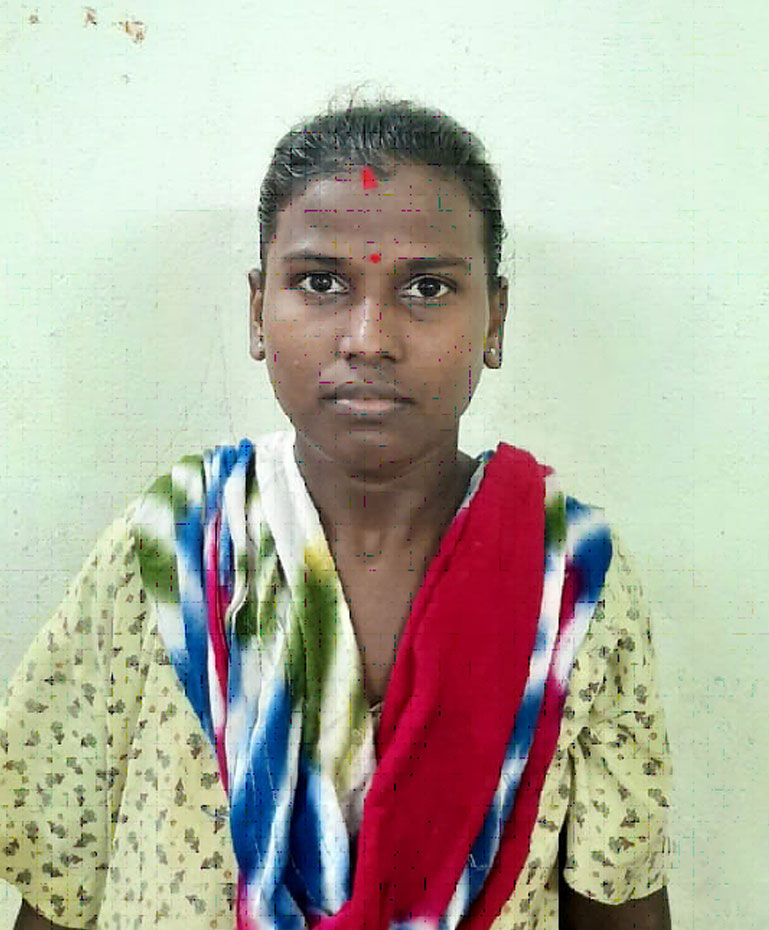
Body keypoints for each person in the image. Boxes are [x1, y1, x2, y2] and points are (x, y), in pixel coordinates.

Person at [1, 101, 672, 930]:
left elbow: (619, 899)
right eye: (321, 283)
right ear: (258, 310)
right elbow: (61, 882)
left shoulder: (568, 582)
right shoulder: (170, 553)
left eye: (426, 288)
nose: (368, 338)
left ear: (493, 320)